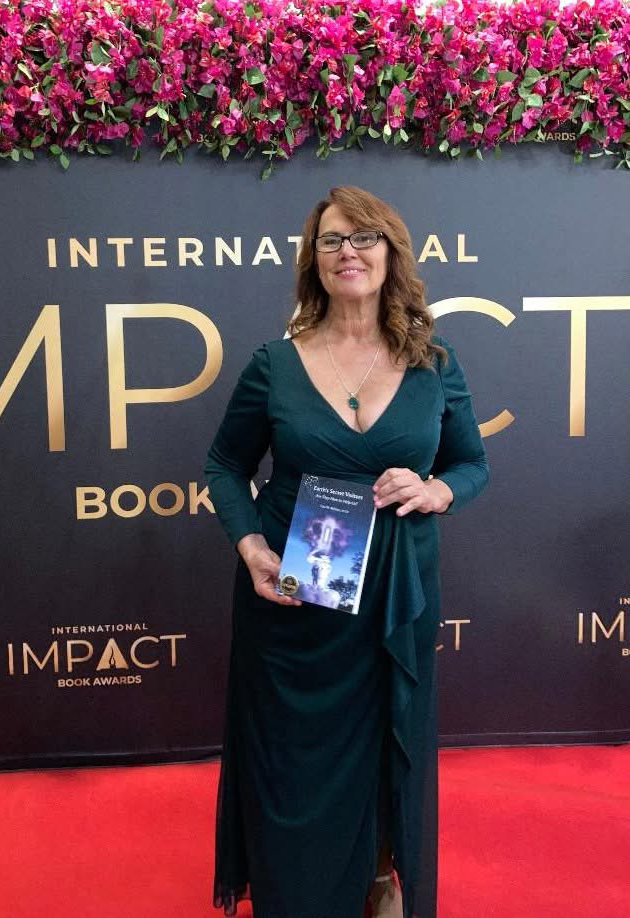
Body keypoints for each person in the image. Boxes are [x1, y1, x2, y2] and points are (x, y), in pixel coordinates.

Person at [205, 185, 489, 918]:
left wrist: (436, 492)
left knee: (391, 738)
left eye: (364, 238)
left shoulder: (434, 363)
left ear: (391, 254)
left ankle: (383, 877)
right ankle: (297, 890)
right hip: (297, 599)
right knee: (298, 758)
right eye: (331, 240)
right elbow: (224, 467)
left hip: (396, 596)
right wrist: (251, 548)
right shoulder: (275, 363)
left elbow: (470, 465)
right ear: (313, 261)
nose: (348, 252)